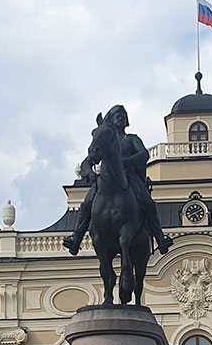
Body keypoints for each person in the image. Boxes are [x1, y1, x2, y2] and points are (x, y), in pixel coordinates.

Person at [63, 104, 173, 256]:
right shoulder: (106, 141)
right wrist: (89, 173)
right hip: (105, 180)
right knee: (87, 204)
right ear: (111, 120)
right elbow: (87, 162)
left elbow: (144, 155)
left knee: (148, 202)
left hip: (130, 177)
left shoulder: (131, 139)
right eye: (116, 115)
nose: (120, 118)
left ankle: (160, 238)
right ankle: (76, 238)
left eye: (122, 115)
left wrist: (125, 162)